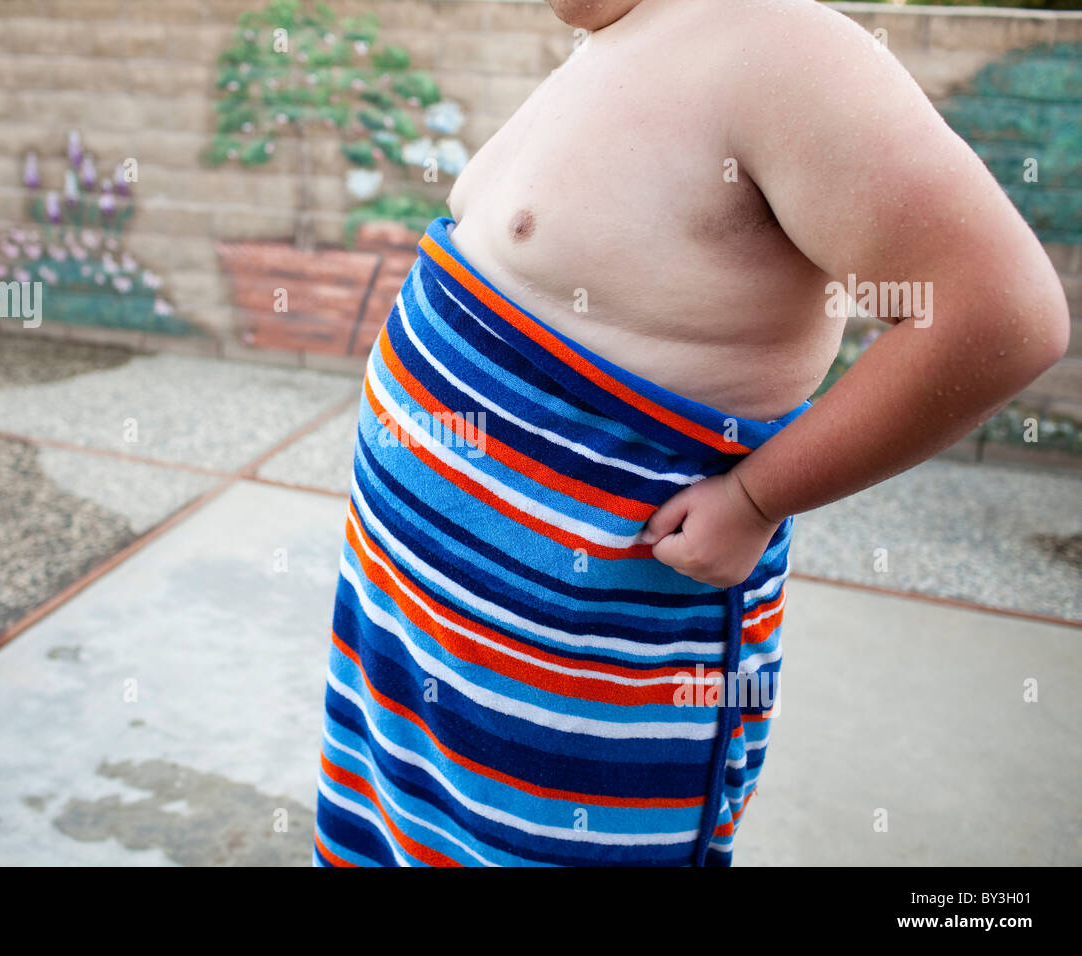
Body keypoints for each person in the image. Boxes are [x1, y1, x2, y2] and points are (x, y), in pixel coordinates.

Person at [311, 0, 1070, 866]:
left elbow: (1000, 314)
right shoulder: (613, 42)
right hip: (418, 626)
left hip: (582, 660)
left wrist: (755, 497)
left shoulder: (781, 47)